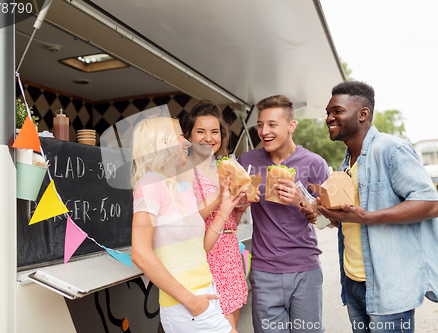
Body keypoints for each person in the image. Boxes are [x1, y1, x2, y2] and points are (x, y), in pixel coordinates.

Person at [320, 81, 438, 333]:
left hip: (387, 286)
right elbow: (352, 219)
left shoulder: (391, 150)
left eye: (337, 111)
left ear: (363, 114)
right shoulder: (346, 164)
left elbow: (430, 205)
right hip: (353, 282)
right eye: (327, 112)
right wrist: (324, 215)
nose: (329, 118)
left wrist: (370, 217)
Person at [130, 116, 245, 333]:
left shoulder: (181, 188)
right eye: (180, 135)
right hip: (187, 306)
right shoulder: (151, 183)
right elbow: (141, 254)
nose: (187, 142)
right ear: (163, 143)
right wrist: (191, 302)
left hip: (206, 296)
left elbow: (199, 249)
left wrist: (225, 209)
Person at [238, 95, 329, 333]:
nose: (264, 131)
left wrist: (303, 200)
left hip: (304, 270)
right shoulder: (248, 162)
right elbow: (237, 207)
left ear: (291, 126)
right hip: (264, 270)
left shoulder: (313, 164)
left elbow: (329, 221)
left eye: (272, 124)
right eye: (260, 125)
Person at [181, 100, 249, 330]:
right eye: (200, 131)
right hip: (204, 259)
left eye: (214, 132)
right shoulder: (184, 170)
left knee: (231, 326)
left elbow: (232, 221)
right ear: (189, 135)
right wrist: (219, 198)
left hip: (229, 257)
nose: (209, 138)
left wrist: (239, 207)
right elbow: (186, 220)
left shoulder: (225, 167)